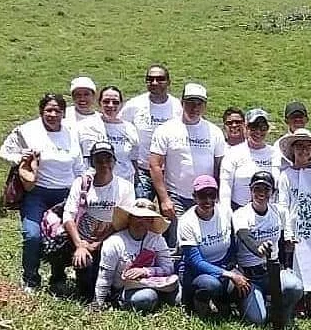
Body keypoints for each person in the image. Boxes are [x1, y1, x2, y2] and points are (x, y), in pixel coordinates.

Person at [0, 93, 85, 293]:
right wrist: (21, 156)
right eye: (49, 110)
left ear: (64, 113)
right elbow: (4, 152)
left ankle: (58, 277)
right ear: (41, 111)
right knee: (32, 235)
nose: (53, 114)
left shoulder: (71, 133)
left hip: (64, 194)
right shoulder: (27, 130)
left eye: (57, 111)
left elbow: (78, 165)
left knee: (61, 237)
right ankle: (30, 279)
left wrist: (81, 188)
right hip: (36, 193)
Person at [149, 83, 225, 249]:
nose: (194, 108)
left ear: (204, 106)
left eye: (199, 103)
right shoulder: (166, 129)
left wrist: (218, 196)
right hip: (177, 197)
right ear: (182, 102)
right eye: (190, 102)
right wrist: (164, 199)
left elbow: (220, 167)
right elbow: (155, 165)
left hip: (206, 197)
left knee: (205, 241)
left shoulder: (214, 132)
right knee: (178, 243)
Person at [63, 142, 135, 301]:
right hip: (83, 238)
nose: (104, 164)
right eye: (99, 160)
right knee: (84, 269)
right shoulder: (81, 183)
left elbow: (124, 220)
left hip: (111, 237)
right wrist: (80, 245)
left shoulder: (125, 187)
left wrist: (99, 243)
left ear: (114, 161)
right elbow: (68, 215)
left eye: (108, 159)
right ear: (91, 163)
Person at [232, 171, 304, 326]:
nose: (261, 193)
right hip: (250, 275)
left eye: (266, 189)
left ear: (273, 192)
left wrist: (288, 262)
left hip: (273, 271)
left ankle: (283, 313)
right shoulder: (241, 214)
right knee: (258, 320)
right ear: (250, 190)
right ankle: (246, 301)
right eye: (257, 189)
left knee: (295, 286)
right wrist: (258, 249)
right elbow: (244, 236)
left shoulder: (280, 212)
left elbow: (286, 240)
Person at [277, 128, 311, 317]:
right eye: (299, 146)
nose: (303, 151)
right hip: (294, 228)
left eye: (308, 147)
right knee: (293, 265)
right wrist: (288, 232)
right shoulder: (286, 176)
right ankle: (297, 302)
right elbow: (282, 205)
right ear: (293, 150)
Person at [94, 198, 176, 312]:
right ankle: (125, 302)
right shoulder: (114, 242)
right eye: (137, 217)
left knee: (178, 296)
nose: (141, 222)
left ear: (151, 221)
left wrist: (145, 271)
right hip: (124, 288)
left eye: (146, 219)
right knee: (147, 296)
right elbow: (105, 277)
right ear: (130, 218)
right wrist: (99, 303)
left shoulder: (157, 239)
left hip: (154, 282)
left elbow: (168, 268)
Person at [118, 64, 182, 200]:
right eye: (150, 79)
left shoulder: (178, 107)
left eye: (160, 79)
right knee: (140, 215)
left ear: (169, 82)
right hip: (142, 170)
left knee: (171, 214)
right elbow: (119, 127)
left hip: (169, 172)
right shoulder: (134, 105)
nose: (154, 83)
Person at [178, 175, 239, 317]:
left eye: (212, 195)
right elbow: (196, 261)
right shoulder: (186, 222)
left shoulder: (226, 212)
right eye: (202, 196)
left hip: (223, 265)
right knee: (211, 285)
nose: (207, 200)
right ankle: (195, 301)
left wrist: (234, 267)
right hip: (195, 271)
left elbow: (233, 244)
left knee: (242, 285)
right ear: (194, 197)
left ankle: (223, 301)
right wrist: (229, 274)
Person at [219, 108, 281, 210]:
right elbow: (225, 188)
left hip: (267, 212)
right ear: (245, 127)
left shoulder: (275, 154)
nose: (258, 131)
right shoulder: (233, 153)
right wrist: (226, 214)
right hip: (238, 209)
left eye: (263, 128)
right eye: (253, 127)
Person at [79, 86, 139, 182]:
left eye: (115, 102)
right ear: (99, 103)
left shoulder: (129, 128)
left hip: (125, 182)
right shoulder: (86, 126)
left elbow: (133, 159)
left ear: (121, 105)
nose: (111, 105)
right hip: (96, 182)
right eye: (106, 101)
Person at [274, 101, 311, 170]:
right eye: (293, 117)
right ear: (286, 121)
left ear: (307, 120)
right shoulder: (278, 145)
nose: (297, 119)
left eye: (301, 116)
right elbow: (277, 169)